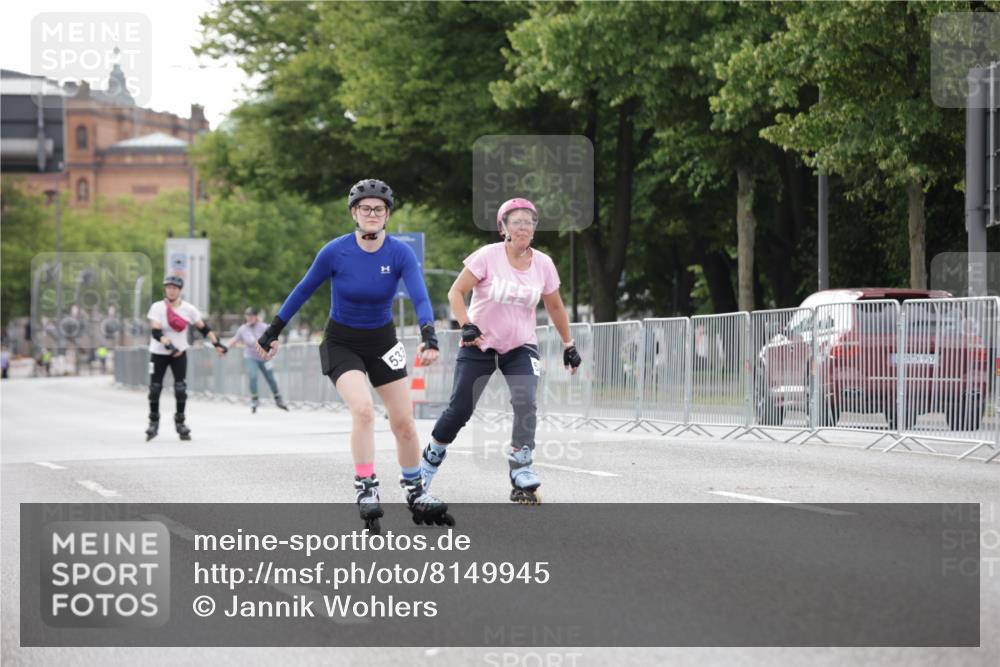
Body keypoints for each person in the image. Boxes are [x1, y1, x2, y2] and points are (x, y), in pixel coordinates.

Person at [256, 178, 452, 533]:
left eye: (379, 209)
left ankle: (415, 490)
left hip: (383, 342)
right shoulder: (335, 251)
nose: (372, 214)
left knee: (404, 422)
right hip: (342, 342)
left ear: (387, 215)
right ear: (354, 214)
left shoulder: (400, 253)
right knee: (362, 410)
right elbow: (303, 290)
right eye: (365, 209)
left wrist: (429, 336)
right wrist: (272, 332)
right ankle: (366, 486)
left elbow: (420, 296)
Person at [420, 197, 582, 504]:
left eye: (529, 222)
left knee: (526, 402)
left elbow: (555, 305)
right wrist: (466, 323)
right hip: (479, 344)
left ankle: (521, 469)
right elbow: (456, 292)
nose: (524, 227)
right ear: (503, 228)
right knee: (459, 410)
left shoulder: (544, 264)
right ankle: (429, 461)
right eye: (517, 221)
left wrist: (568, 344)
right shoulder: (487, 256)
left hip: (520, 345)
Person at [145, 275, 227, 441]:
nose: (171, 290)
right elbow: (156, 331)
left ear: (180, 290)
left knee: (180, 389)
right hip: (159, 354)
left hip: (179, 353)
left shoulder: (188, 309)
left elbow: (204, 329)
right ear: (165, 289)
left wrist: (217, 343)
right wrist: (167, 343)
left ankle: (180, 423)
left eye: (174, 288)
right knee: (154, 388)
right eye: (168, 287)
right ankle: (153, 422)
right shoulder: (158, 307)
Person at [225, 307, 289, 413]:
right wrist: (225, 348)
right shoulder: (243, 329)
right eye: (247, 316)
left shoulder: (264, 327)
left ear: (256, 317)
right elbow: (234, 340)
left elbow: (274, 335)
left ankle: (278, 398)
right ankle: (254, 399)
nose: (249, 318)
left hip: (265, 357)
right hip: (251, 357)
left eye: (251, 316)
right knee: (253, 376)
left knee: (271, 378)